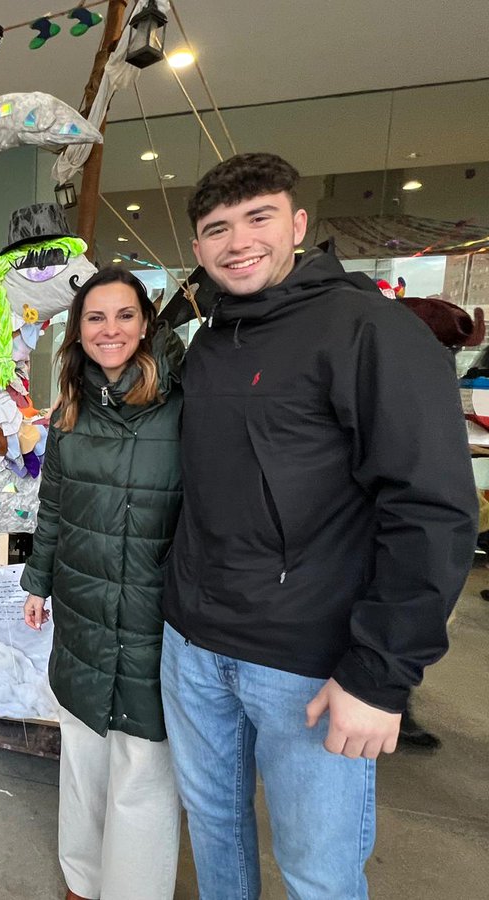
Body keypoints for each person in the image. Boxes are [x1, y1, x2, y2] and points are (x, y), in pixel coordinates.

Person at [161, 152, 477, 898]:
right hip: (195, 644)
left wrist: (380, 673)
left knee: (317, 869)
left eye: (258, 218)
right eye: (217, 229)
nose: (238, 242)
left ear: (297, 225)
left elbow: (430, 508)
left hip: (306, 659)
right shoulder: (207, 345)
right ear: (199, 249)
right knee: (213, 826)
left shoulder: (370, 331)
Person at [21, 267, 184, 900]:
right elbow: (54, 506)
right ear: (78, 332)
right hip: (84, 605)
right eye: (95, 318)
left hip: (153, 608)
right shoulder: (70, 413)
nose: (109, 329)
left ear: (146, 324)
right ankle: (82, 881)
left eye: (123, 315)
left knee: (144, 762)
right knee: (84, 751)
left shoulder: (183, 405)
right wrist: (37, 581)